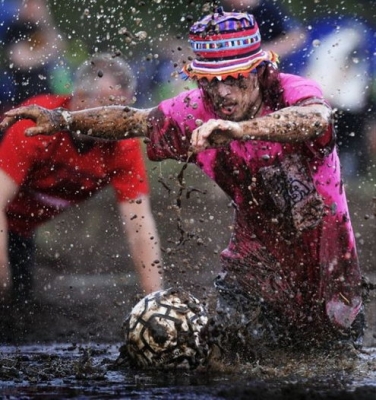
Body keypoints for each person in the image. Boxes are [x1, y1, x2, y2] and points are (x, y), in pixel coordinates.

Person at [0, 9, 364, 346]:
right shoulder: (194, 110)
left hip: (326, 263)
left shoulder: (290, 91)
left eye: (235, 79)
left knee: (325, 359)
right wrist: (65, 121)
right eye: (210, 81)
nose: (222, 92)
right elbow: (134, 120)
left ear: (259, 70)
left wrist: (241, 131)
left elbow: (316, 120)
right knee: (235, 356)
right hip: (252, 265)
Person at [0, 52, 163, 304]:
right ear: (80, 99)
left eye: (124, 110)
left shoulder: (122, 143)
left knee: (21, 308)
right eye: (108, 108)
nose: (117, 121)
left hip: (21, 229)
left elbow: (139, 225)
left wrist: (154, 301)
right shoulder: (36, 125)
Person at [0, 0, 70, 114]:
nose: (36, 7)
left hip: (46, 92)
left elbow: (61, 46)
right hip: (22, 95)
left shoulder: (40, 28)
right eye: (32, 3)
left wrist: (45, 22)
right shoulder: (15, 27)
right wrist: (47, 53)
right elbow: (21, 60)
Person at [222, 0, 307, 74]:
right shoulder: (222, 13)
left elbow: (297, 37)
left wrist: (264, 53)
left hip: (277, 69)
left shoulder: (267, 9)